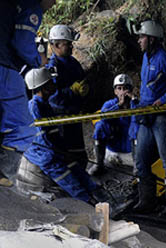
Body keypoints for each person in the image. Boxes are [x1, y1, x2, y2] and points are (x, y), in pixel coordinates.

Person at [22, 68, 104, 204]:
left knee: (78, 170)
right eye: (51, 82)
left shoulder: (44, 105)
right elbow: (43, 140)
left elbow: (53, 134)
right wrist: (61, 155)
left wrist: (66, 151)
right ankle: (90, 203)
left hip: (54, 151)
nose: (54, 84)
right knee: (69, 181)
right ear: (43, 87)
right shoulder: (34, 107)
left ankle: (99, 194)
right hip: (46, 156)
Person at [132, 20, 166, 217]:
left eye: (142, 37)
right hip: (146, 116)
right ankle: (147, 201)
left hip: (162, 117)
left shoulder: (164, 58)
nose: (139, 41)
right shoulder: (147, 58)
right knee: (141, 160)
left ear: (152, 39)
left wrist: (164, 100)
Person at [0, 0, 56, 179]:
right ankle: (3, 177)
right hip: (5, 68)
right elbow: (22, 44)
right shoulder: (31, 5)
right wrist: (38, 59)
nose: (54, 3)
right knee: (23, 128)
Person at [46, 24, 89, 170]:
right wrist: (71, 91)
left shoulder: (73, 62)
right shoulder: (52, 68)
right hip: (61, 117)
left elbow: (82, 80)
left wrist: (84, 91)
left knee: (79, 153)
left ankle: (82, 180)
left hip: (74, 113)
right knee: (66, 155)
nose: (71, 47)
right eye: (67, 44)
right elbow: (52, 96)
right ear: (56, 45)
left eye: (71, 44)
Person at [88, 74, 137, 176]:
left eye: (125, 88)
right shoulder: (110, 104)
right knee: (100, 125)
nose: (122, 92)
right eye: (119, 88)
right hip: (112, 149)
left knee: (138, 126)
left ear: (131, 90)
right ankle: (99, 164)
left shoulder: (137, 105)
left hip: (131, 152)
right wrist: (119, 106)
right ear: (115, 91)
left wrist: (134, 101)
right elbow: (103, 116)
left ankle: (138, 167)